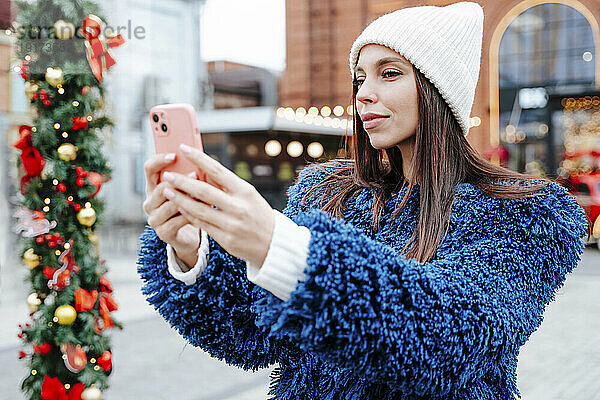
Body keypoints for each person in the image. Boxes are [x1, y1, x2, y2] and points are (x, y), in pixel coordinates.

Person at [137, 2, 591, 399]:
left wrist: (281, 247)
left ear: (439, 90)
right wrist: (190, 250)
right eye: (359, 78)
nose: (363, 95)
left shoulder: (527, 211)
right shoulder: (326, 193)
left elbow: (454, 335)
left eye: (389, 74)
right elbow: (252, 336)